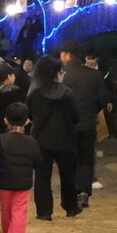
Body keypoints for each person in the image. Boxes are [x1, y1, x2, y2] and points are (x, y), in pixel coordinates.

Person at [58, 41, 112, 208]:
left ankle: (71, 193)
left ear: (68, 55)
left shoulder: (62, 76)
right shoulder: (94, 75)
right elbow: (103, 99)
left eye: (62, 53)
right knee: (86, 159)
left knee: (69, 160)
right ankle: (83, 192)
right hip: (88, 123)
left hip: (68, 124)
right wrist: (92, 110)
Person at [28, 55, 79, 219]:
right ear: (57, 73)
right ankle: (71, 207)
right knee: (68, 175)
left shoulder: (34, 95)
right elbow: (76, 116)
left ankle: (44, 212)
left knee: (42, 177)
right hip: (65, 139)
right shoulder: (68, 93)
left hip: (41, 140)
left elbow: (30, 116)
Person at [0, 102, 40, 233]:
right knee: (20, 212)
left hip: (3, 181)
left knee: (5, 212)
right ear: (27, 121)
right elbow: (38, 161)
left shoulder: (0, 140)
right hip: (23, 183)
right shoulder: (31, 142)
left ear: (5, 120)